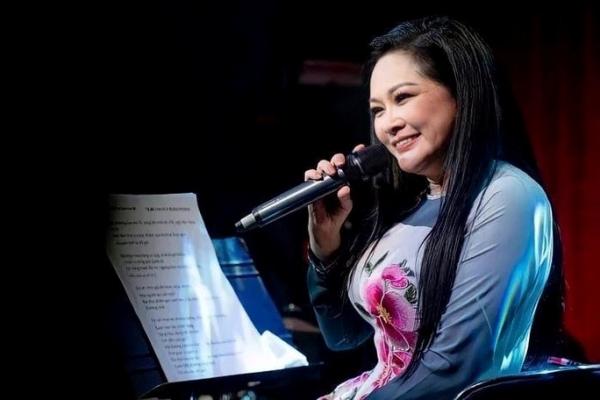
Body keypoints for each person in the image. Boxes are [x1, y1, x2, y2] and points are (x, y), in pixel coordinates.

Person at [305, 16, 567, 400]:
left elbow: (453, 369)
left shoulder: (507, 196)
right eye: (377, 110)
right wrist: (325, 247)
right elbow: (342, 337)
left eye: (402, 98)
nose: (388, 124)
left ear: (460, 94)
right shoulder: (405, 205)